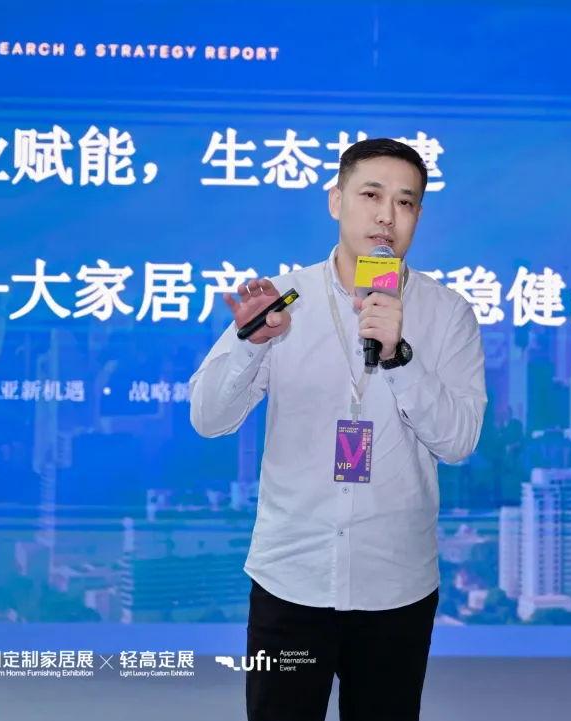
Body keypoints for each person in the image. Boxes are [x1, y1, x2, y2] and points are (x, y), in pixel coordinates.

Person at [189, 138, 487, 721]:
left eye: (405, 202)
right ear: (335, 201)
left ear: (418, 216)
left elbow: (459, 441)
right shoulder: (283, 299)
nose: (387, 216)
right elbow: (208, 418)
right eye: (371, 195)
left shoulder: (447, 313)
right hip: (291, 580)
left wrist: (399, 356)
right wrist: (252, 344)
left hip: (395, 584)